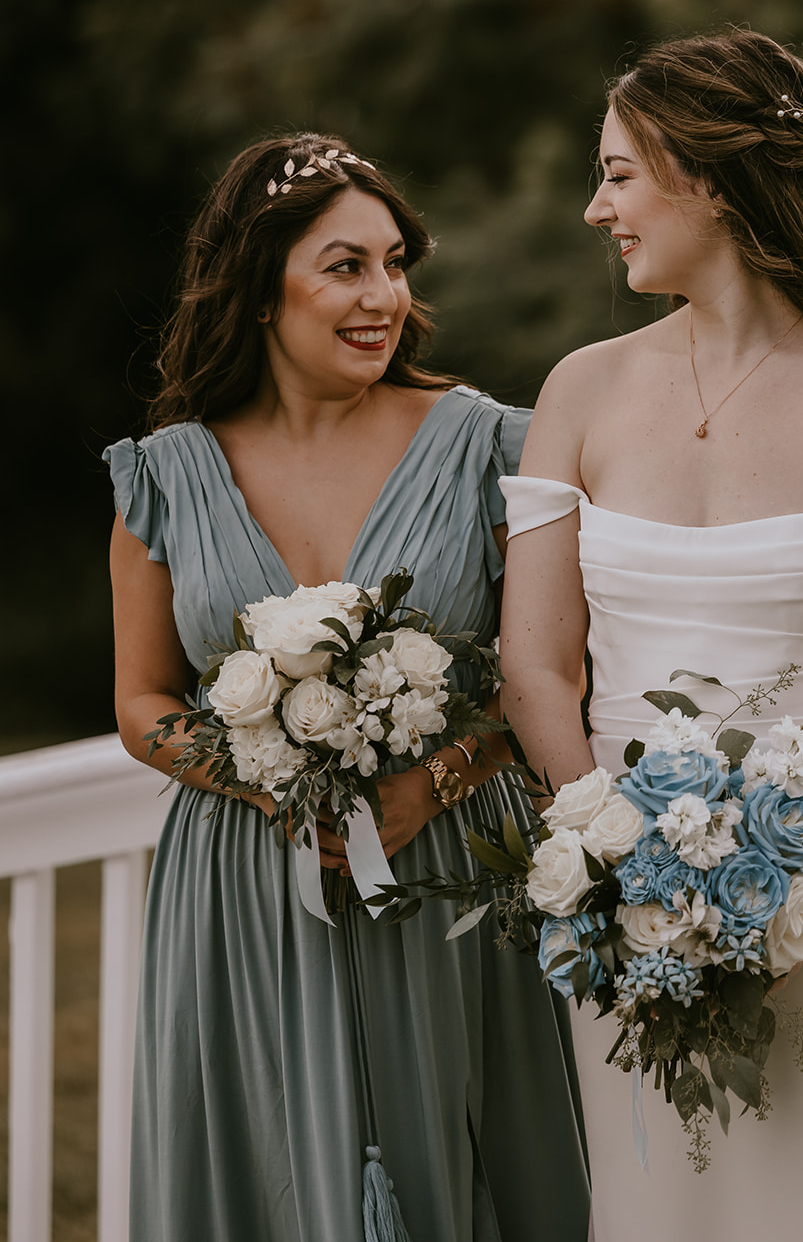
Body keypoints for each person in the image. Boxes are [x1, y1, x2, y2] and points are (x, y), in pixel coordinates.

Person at [498, 30, 803, 1242]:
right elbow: (536, 662)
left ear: (707, 178)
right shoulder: (579, 390)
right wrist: (618, 884)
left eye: (617, 174)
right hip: (631, 935)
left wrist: (786, 905)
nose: (593, 208)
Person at [106, 134, 589, 1242]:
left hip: (456, 867)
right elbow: (140, 700)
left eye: (395, 261)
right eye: (345, 266)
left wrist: (435, 781)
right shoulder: (164, 474)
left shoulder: (489, 448)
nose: (384, 296)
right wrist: (266, 777)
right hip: (244, 882)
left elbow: (557, 673)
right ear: (260, 286)